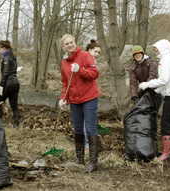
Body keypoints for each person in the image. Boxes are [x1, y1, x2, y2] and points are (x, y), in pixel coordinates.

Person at [59, 34, 100, 173]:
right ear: (63, 47)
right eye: (67, 44)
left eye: (71, 42)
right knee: (77, 128)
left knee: (90, 128)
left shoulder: (84, 55)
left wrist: (80, 70)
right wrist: (63, 98)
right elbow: (65, 83)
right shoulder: (64, 62)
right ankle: (80, 158)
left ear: (75, 42)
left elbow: (94, 74)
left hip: (89, 97)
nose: (70, 45)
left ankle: (93, 162)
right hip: (75, 100)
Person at [139, 39, 170, 162]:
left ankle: (166, 153)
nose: (155, 51)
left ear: (163, 48)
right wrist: (157, 91)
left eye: (156, 49)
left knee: (166, 122)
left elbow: (164, 80)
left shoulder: (166, 60)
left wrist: (148, 85)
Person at [0, 40, 21, 128]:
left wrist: (1, 85)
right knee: (14, 105)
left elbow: (6, 73)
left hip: (8, 84)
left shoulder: (6, 57)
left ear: (4, 48)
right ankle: (16, 124)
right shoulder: (13, 56)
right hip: (15, 84)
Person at [83, 40, 101, 151]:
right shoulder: (85, 59)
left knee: (89, 120)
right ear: (89, 50)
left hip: (92, 93)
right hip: (85, 94)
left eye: (99, 53)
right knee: (87, 121)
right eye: (95, 51)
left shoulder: (93, 61)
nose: (97, 54)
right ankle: (87, 144)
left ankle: (89, 144)